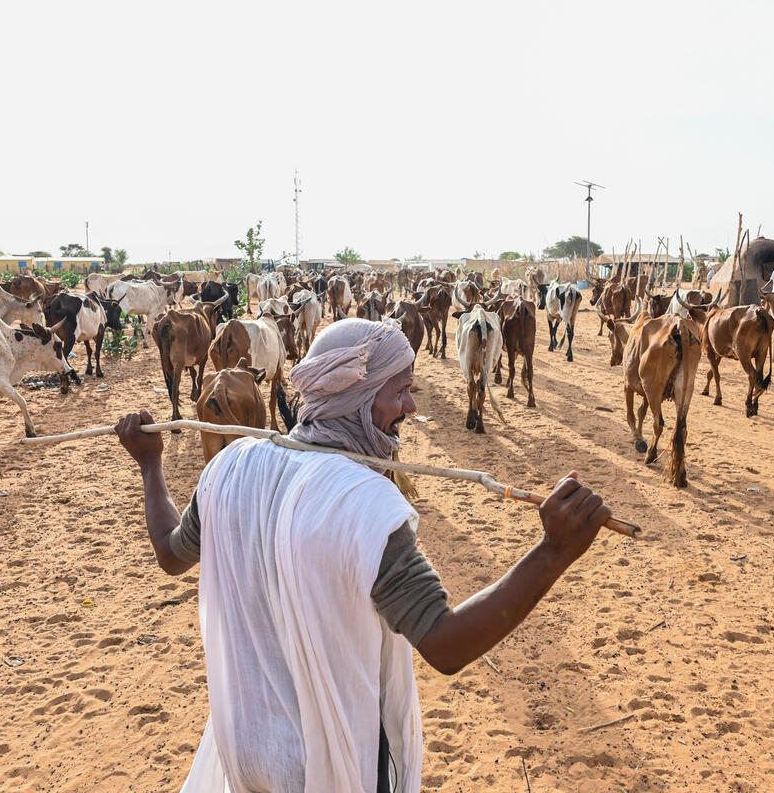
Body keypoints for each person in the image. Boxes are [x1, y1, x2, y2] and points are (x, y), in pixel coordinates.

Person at [115, 318, 613, 793]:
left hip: (246, 748)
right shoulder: (365, 507)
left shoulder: (229, 469)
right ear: (354, 398)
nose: (413, 407)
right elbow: (446, 644)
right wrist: (553, 552)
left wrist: (150, 467)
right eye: (399, 391)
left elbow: (169, 553)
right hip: (327, 764)